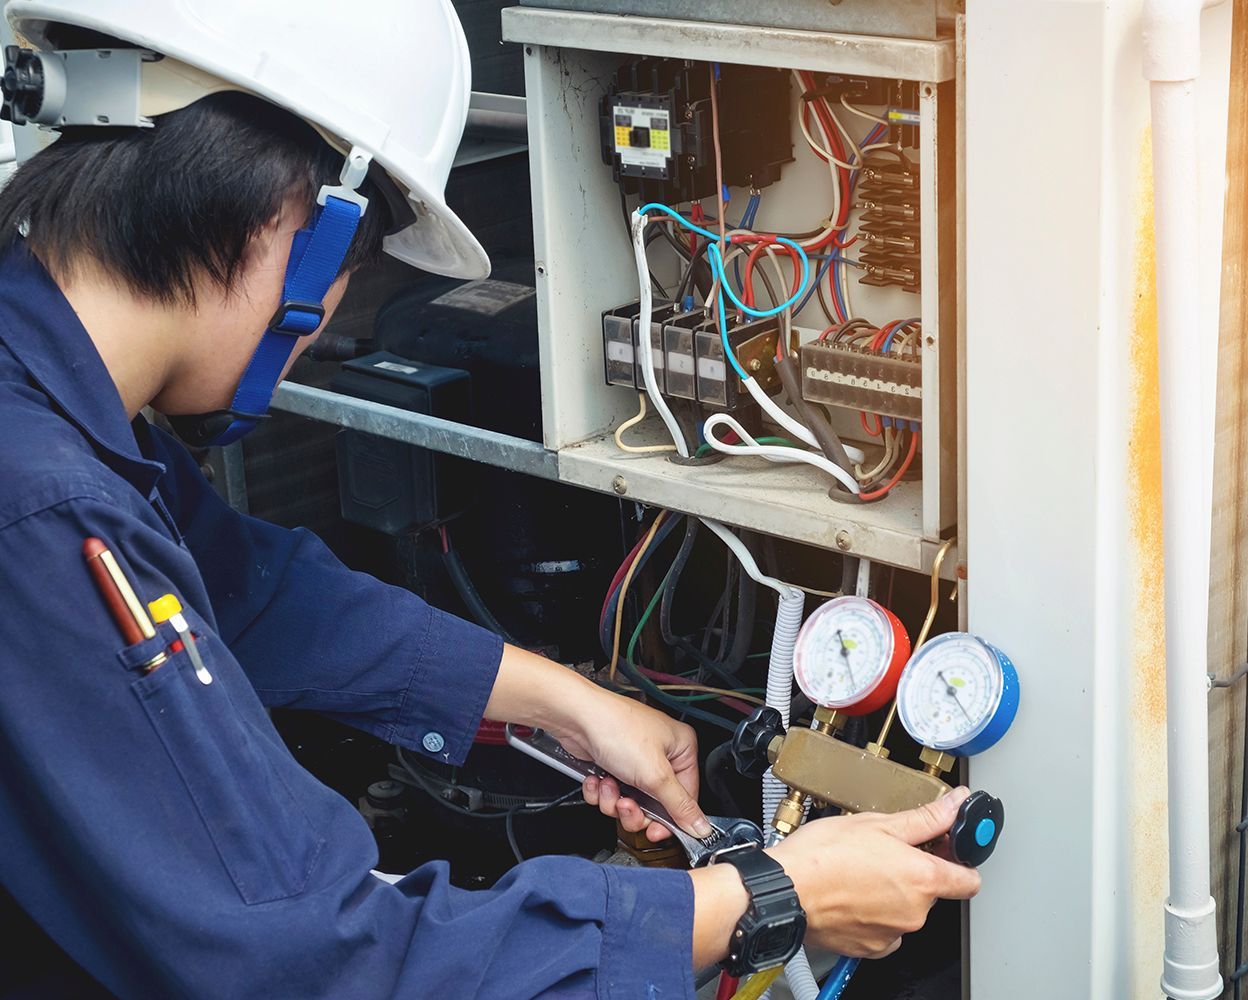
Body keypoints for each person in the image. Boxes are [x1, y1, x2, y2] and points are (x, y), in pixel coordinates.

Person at [0, 2, 982, 997]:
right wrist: (767, 899)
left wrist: (566, 703)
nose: (325, 318)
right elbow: (311, 959)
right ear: (299, 222)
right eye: (359, 266)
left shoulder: (50, 403)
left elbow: (252, 592)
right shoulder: (41, 507)